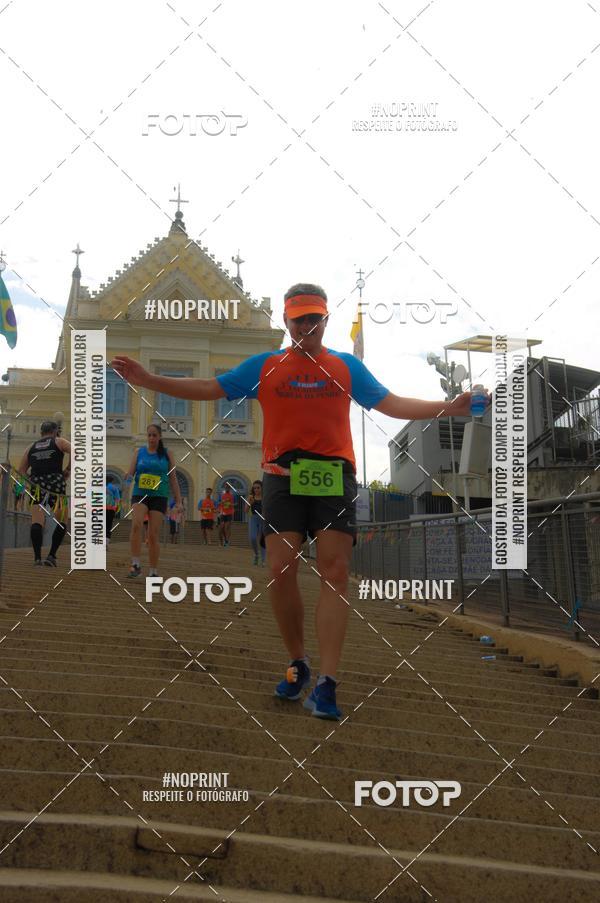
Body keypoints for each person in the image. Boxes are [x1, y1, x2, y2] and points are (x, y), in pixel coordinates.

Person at [112, 283, 484, 719]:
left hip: (334, 476)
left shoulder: (346, 368)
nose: (308, 326)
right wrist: (150, 380)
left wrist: (449, 407)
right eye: (300, 319)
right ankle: (298, 661)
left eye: (315, 318)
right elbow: (210, 387)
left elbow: (391, 403)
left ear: (326, 320)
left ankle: (327, 682)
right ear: (287, 324)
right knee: (279, 567)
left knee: (336, 571)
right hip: (281, 476)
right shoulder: (267, 365)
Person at [124, 423, 182, 578]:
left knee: (153, 535)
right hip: (140, 494)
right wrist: (127, 481)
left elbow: (173, 479)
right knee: (136, 525)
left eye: (154, 435)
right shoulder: (139, 452)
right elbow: (130, 474)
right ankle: (135, 563)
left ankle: (153, 571)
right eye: (149, 435)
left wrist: (179, 501)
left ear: (160, 436)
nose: (151, 438)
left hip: (159, 496)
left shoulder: (167, 454)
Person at [18, 420, 71, 567]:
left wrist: (31, 480)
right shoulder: (59, 441)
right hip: (57, 483)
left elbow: (21, 470)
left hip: (36, 485)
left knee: (37, 521)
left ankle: (37, 558)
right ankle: (52, 555)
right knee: (61, 520)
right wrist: (67, 470)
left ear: (41, 432)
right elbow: (76, 451)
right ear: (55, 431)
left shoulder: (31, 447)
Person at [248, 480, 266, 566]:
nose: (256, 490)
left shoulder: (266, 498)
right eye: (254, 488)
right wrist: (249, 503)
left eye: (258, 488)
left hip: (263, 519)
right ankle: (256, 554)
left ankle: (263, 560)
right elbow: (245, 510)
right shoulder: (251, 497)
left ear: (262, 488)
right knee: (253, 538)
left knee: (262, 540)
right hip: (253, 519)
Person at [105, 476, 121, 543]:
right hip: (111, 509)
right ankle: (106, 542)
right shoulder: (114, 488)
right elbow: (117, 500)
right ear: (112, 481)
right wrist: (116, 509)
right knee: (108, 525)